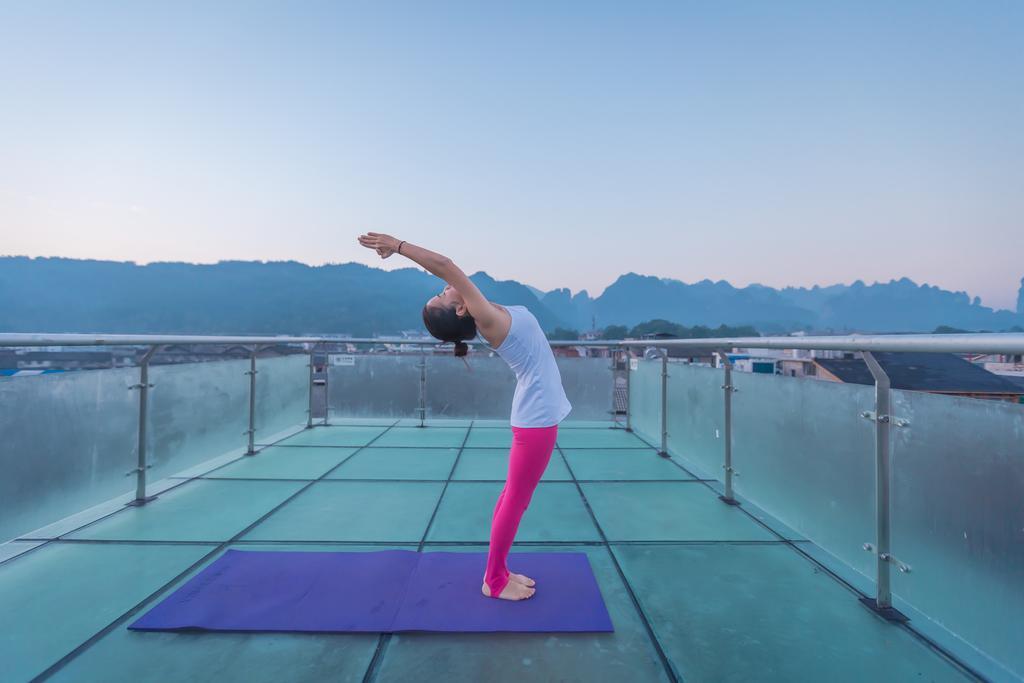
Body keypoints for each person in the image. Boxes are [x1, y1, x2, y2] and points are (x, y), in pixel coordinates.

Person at [358, 232, 572, 601]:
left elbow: (454, 274)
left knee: (512, 497)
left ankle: (500, 570)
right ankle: (494, 580)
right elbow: (446, 266)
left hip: (536, 413)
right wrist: (397, 246)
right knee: (516, 500)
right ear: (460, 310)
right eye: (443, 294)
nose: (445, 287)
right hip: (536, 419)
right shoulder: (487, 319)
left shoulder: (489, 310)